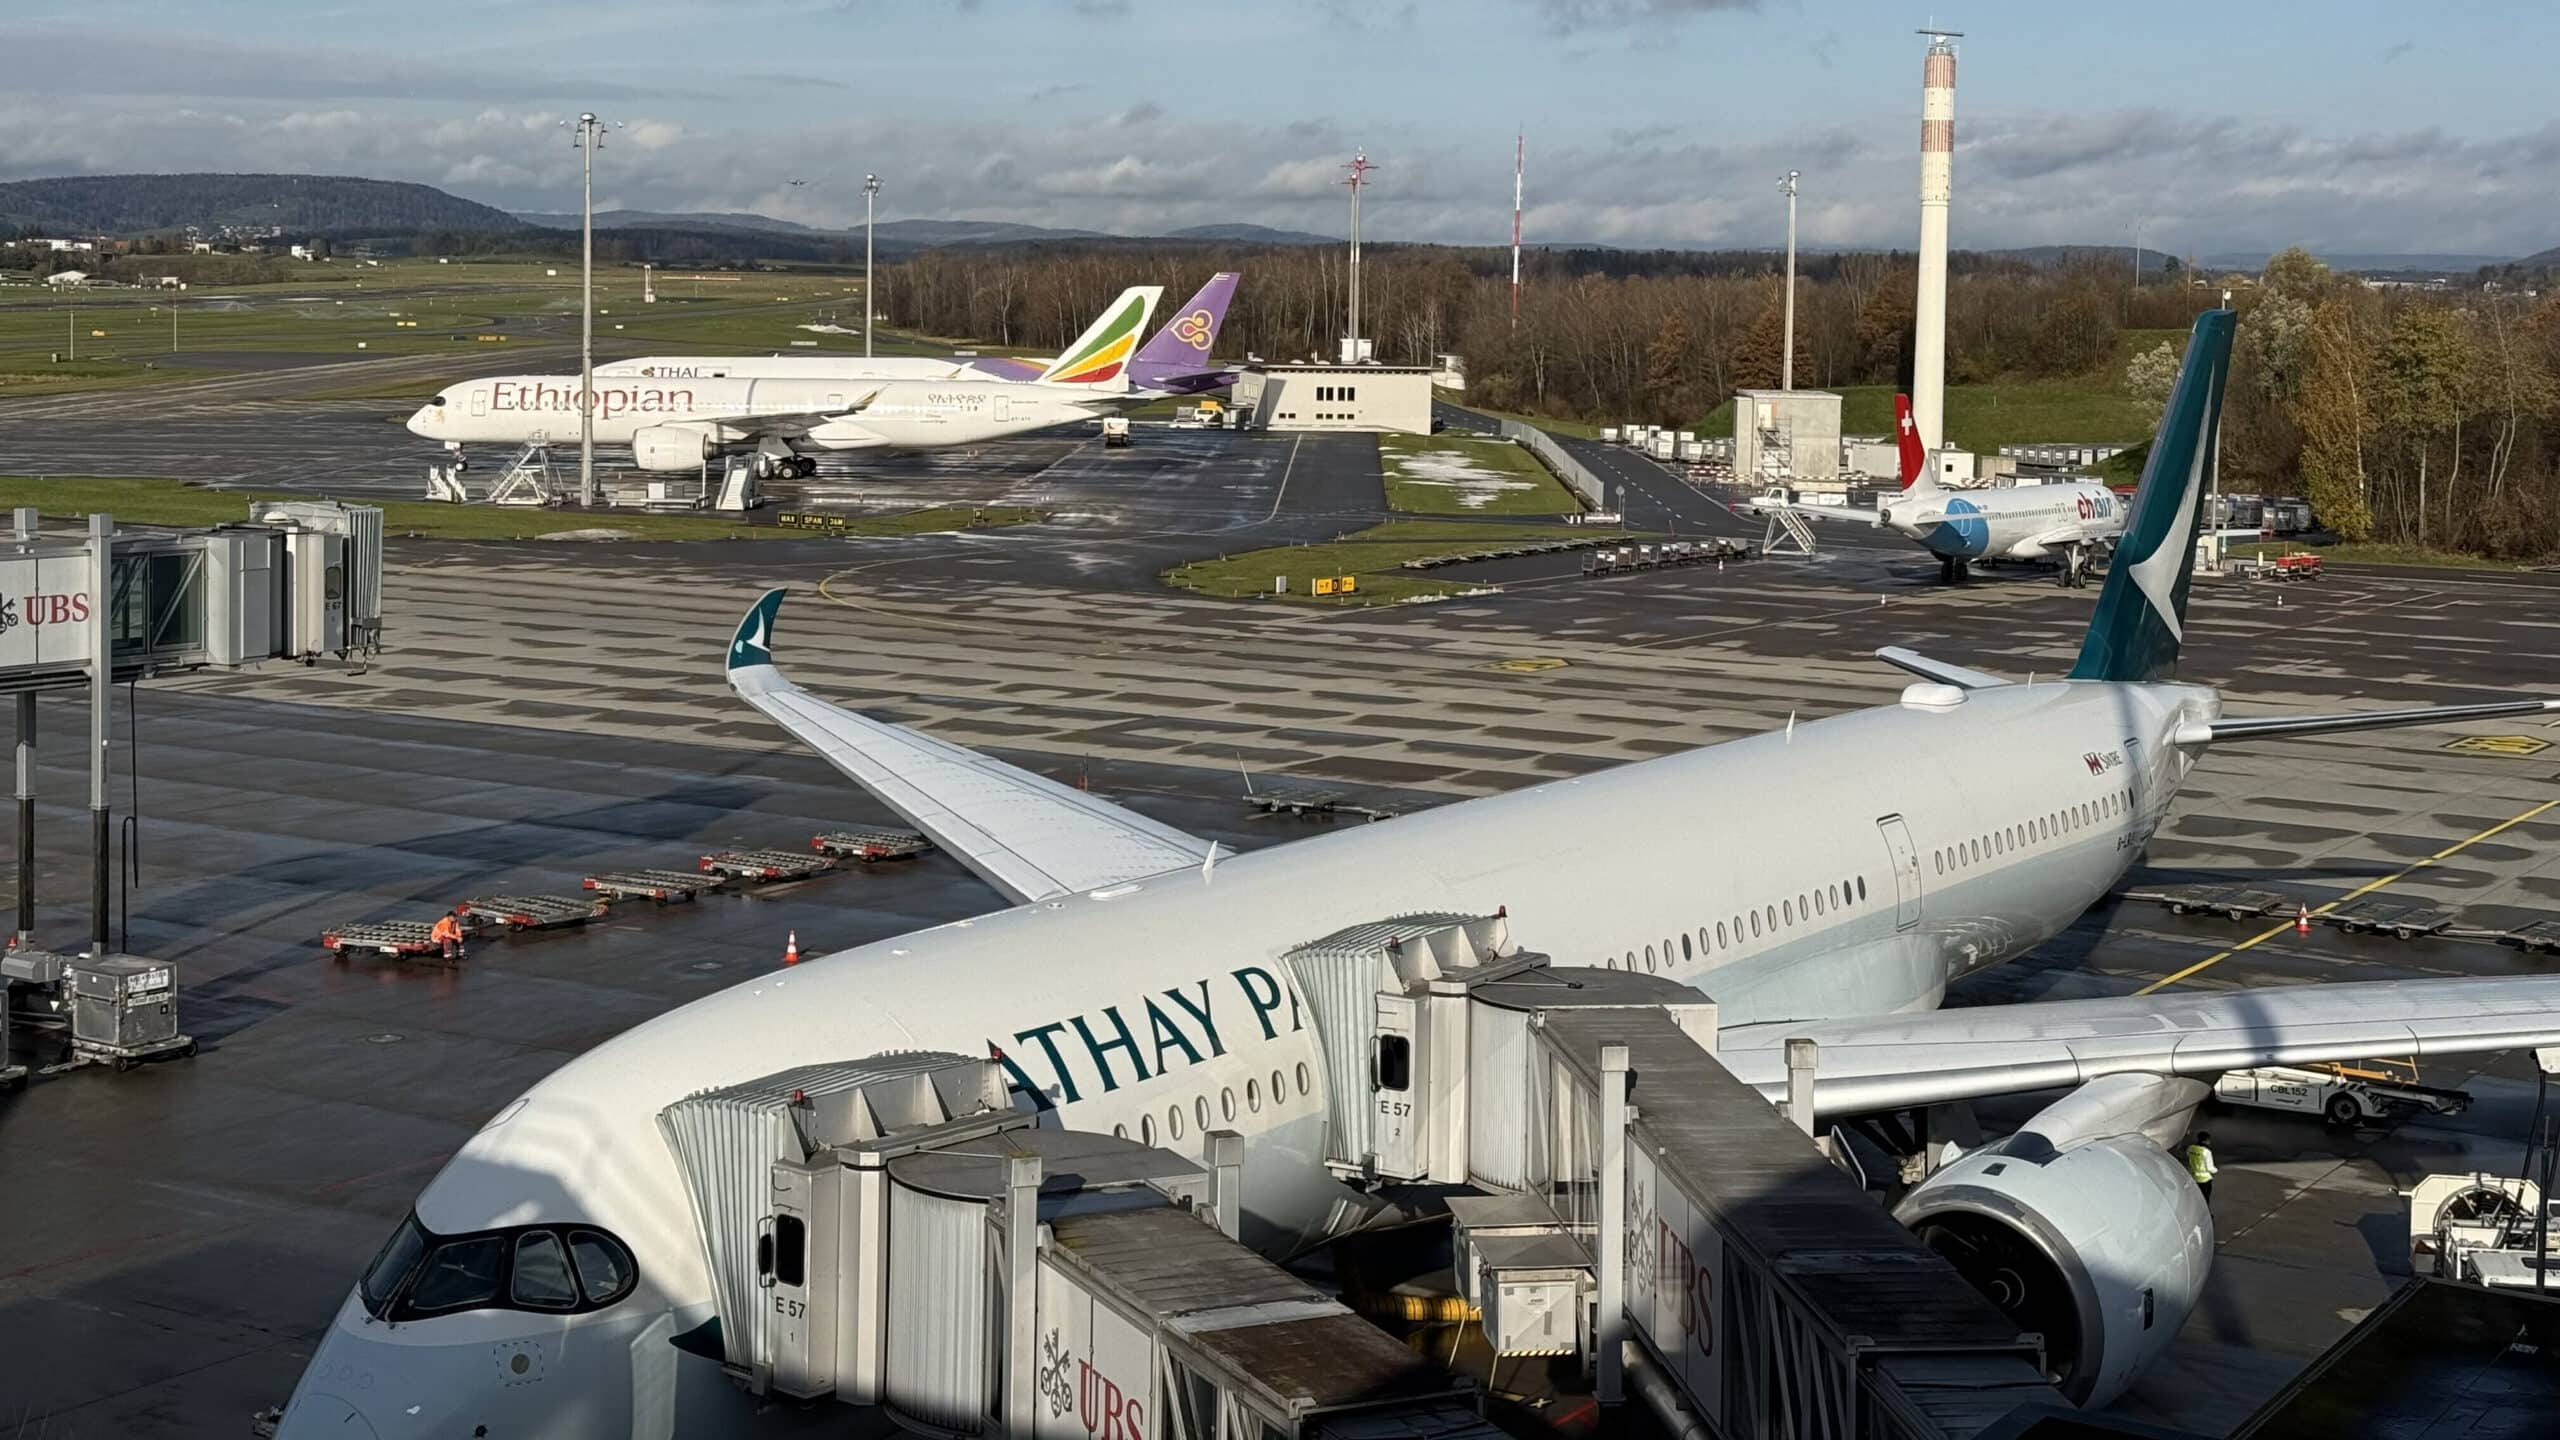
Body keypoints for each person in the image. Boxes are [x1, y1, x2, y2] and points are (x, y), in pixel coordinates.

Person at [2185, 1131, 2218, 1203]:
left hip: (2194, 1177)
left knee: (2195, 1198)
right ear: (2207, 1140)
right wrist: (2216, 1170)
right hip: (2204, 1180)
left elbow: (2188, 1155)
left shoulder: (2190, 1148)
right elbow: (2210, 1168)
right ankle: (2206, 1213)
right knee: (2205, 1199)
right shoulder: (2206, 1152)